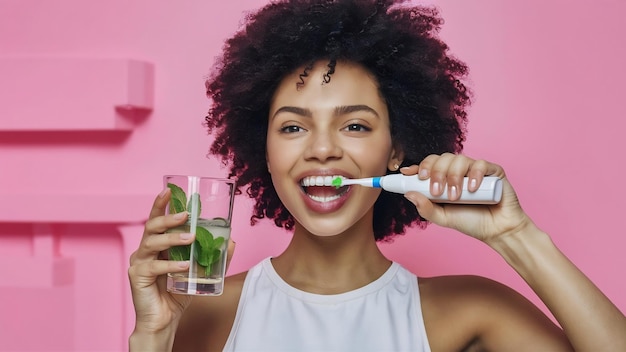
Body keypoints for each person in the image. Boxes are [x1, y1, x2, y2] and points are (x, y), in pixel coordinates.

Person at [128, 0, 626, 351]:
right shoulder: (199, 314)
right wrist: (151, 338)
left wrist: (517, 236)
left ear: (397, 149)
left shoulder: (469, 312)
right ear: (265, 150)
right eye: (294, 126)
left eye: (356, 125)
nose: (322, 149)